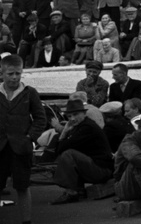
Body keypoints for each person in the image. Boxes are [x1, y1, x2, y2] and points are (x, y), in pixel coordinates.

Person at [0, 54, 47, 224]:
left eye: (18, 73)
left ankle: (26, 221)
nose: (14, 77)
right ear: (2, 73)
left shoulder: (29, 92)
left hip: (21, 148)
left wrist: (30, 137)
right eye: (10, 74)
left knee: (22, 186)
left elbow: (41, 118)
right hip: (1, 147)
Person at [51, 98, 114, 204]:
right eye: (69, 116)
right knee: (69, 155)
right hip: (98, 167)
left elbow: (63, 148)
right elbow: (58, 149)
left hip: (102, 170)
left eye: (75, 114)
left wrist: (64, 133)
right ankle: (78, 189)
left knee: (69, 154)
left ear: (84, 113)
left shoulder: (87, 127)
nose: (72, 118)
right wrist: (65, 132)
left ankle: (72, 192)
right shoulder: (80, 126)